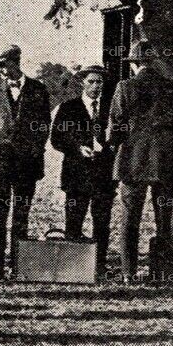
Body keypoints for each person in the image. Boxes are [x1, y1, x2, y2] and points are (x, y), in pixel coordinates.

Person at [106, 39, 173, 282]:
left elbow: (116, 125)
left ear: (134, 64)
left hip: (133, 160)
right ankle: (162, 273)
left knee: (130, 218)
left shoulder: (125, 87)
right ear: (152, 62)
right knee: (164, 220)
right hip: (164, 161)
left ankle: (129, 273)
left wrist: (113, 143)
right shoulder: (172, 88)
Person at [0, 45, 52, 279]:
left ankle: (18, 266)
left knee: (21, 214)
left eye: (4, 64)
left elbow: (44, 125)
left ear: (16, 62)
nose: (1, 70)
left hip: (27, 163)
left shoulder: (38, 89)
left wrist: (34, 150)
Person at [51, 65, 115, 271]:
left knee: (102, 223)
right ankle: (72, 268)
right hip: (76, 175)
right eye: (91, 82)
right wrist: (78, 148)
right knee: (74, 221)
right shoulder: (68, 108)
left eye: (100, 82)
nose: (96, 86)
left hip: (104, 175)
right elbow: (56, 139)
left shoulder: (110, 108)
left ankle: (99, 266)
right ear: (82, 83)